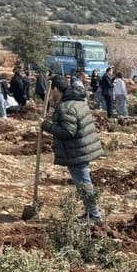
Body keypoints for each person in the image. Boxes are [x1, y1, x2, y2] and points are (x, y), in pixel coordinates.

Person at [41, 76, 104, 222]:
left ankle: (94, 215)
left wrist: (46, 126)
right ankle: (89, 212)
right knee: (82, 182)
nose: (51, 94)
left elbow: (68, 132)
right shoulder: (77, 101)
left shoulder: (66, 107)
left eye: (51, 91)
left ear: (56, 89)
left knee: (83, 183)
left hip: (77, 151)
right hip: (80, 149)